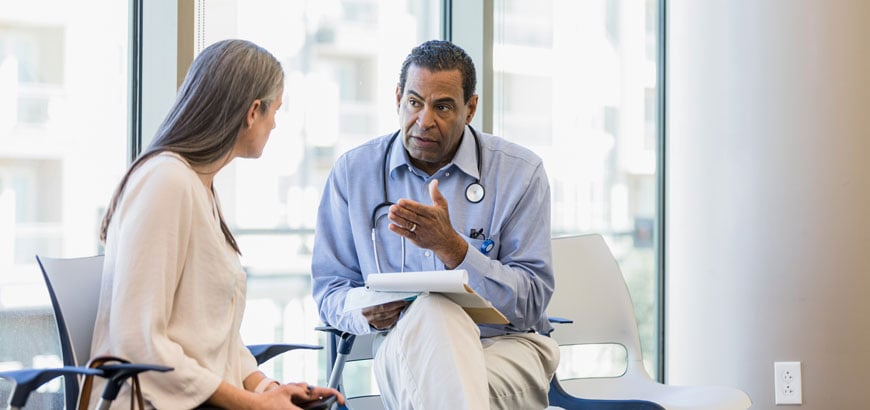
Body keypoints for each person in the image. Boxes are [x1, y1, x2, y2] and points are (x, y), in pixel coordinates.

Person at [91, 39, 344, 409]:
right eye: (276, 110)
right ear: (253, 111)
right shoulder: (167, 181)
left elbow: (214, 339)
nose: (275, 123)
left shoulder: (198, 186)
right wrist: (253, 404)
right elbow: (140, 340)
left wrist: (266, 388)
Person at [311, 39, 559, 409]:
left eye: (442, 107)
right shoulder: (353, 173)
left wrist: (453, 249)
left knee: (436, 381)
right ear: (398, 98)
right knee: (431, 316)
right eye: (414, 102)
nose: (424, 121)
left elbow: (531, 304)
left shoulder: (519, 173)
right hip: (404, 343)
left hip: (509, 346)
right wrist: (365, 310)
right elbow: (330, 289)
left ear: (470, 108)